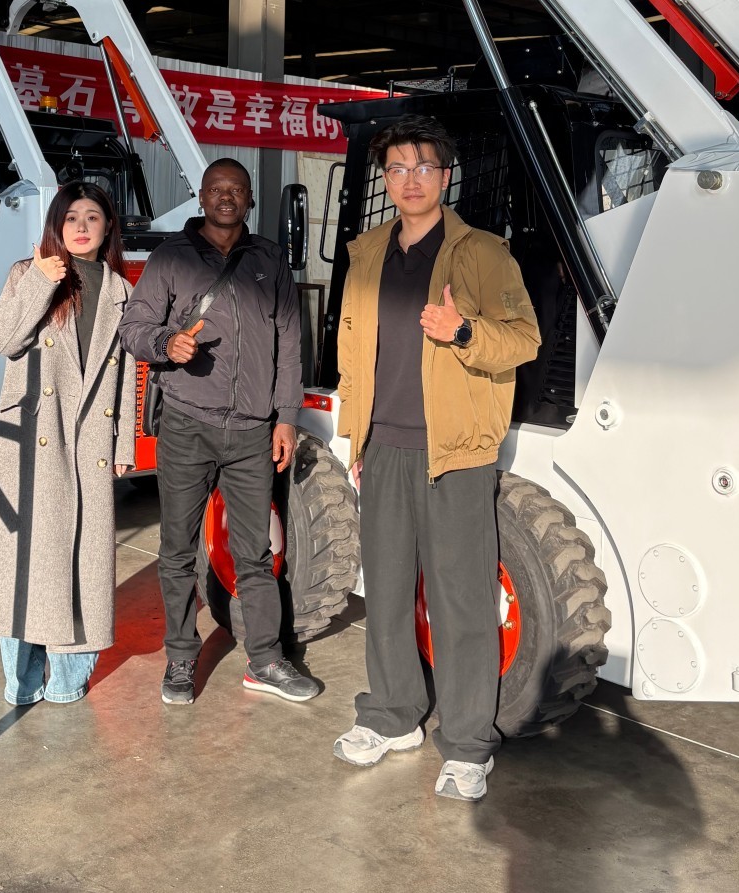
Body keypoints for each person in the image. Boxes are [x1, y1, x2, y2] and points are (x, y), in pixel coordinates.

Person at [332, 116, 540, 801]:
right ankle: (392, 717)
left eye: (423, 167)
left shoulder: (482, 254)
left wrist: (464, 331)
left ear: (446, 176)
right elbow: (353, 351)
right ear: (385, 180)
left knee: (461, 601)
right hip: (383, 444)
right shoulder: (366, 252)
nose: (410, 179)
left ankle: (468, 742)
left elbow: (523, 339)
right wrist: (354, 436)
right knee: (386, 590)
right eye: (397, 169)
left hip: (455, 452)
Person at [120, 157, 319, 706]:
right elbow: (133, 327)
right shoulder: (171, 258)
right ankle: (181, 660)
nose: (226, 197)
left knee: (255, 553)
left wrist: (285, 418)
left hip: (254, 432)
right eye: (216, 189)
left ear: (249, 200)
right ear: (201, 197)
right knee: (178, 549)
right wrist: (168, 345)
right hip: (187, 423)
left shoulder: (269, 260)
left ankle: (266, 660)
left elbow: (288, 344)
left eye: (237, 190)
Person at [0, 182, 136, 706]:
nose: (82, 227)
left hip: (88, 439)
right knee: (26, 562)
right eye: (71, 218)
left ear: (108, 228)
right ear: (56, 227)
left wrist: (123, 440)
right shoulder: (27, 272)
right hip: (32, 438)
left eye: (93, 217)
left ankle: (66, 681)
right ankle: (21, 681)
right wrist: (41, 280)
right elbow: (3, 339)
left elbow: (126, 371)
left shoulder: (118, 290)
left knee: (84, 561)